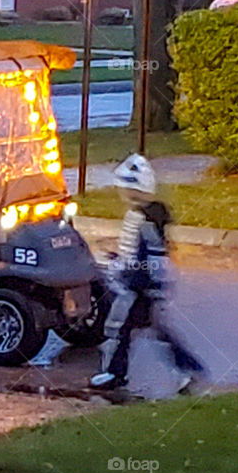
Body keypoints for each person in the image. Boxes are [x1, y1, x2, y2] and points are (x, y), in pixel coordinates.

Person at [89, 154, 205, 392]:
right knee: (154, 330)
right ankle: (187, 369)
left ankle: (114, 374)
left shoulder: (138, 219)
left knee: (119, 329)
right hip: (149, 284)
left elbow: (139, 256)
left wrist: (120, 270)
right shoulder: (154, 216)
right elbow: (153, 253)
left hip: (137, 286)